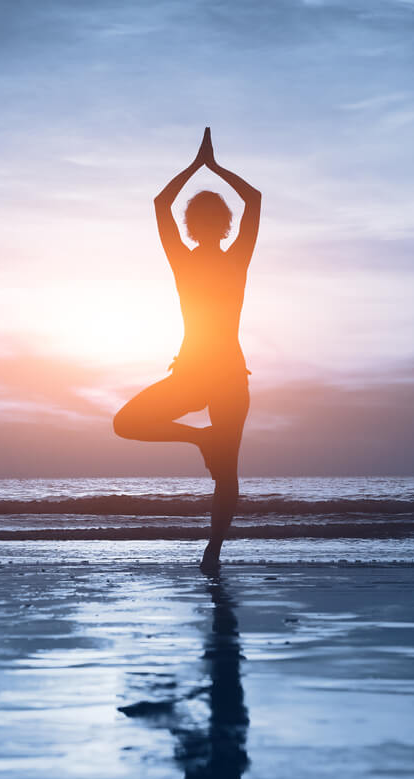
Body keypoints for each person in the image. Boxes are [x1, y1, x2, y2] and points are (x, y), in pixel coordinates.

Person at [113, 128, 260, 574]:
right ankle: (211, 554)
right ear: (226, 225)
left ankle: (200, 441)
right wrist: (215, 168)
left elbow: (161, 204)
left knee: (127, 423)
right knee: (227, 473)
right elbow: (253, 199)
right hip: (226, 374)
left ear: (192, 226)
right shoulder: (236, 259)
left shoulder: (184, 259)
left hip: (200, 372)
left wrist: (196, 167)